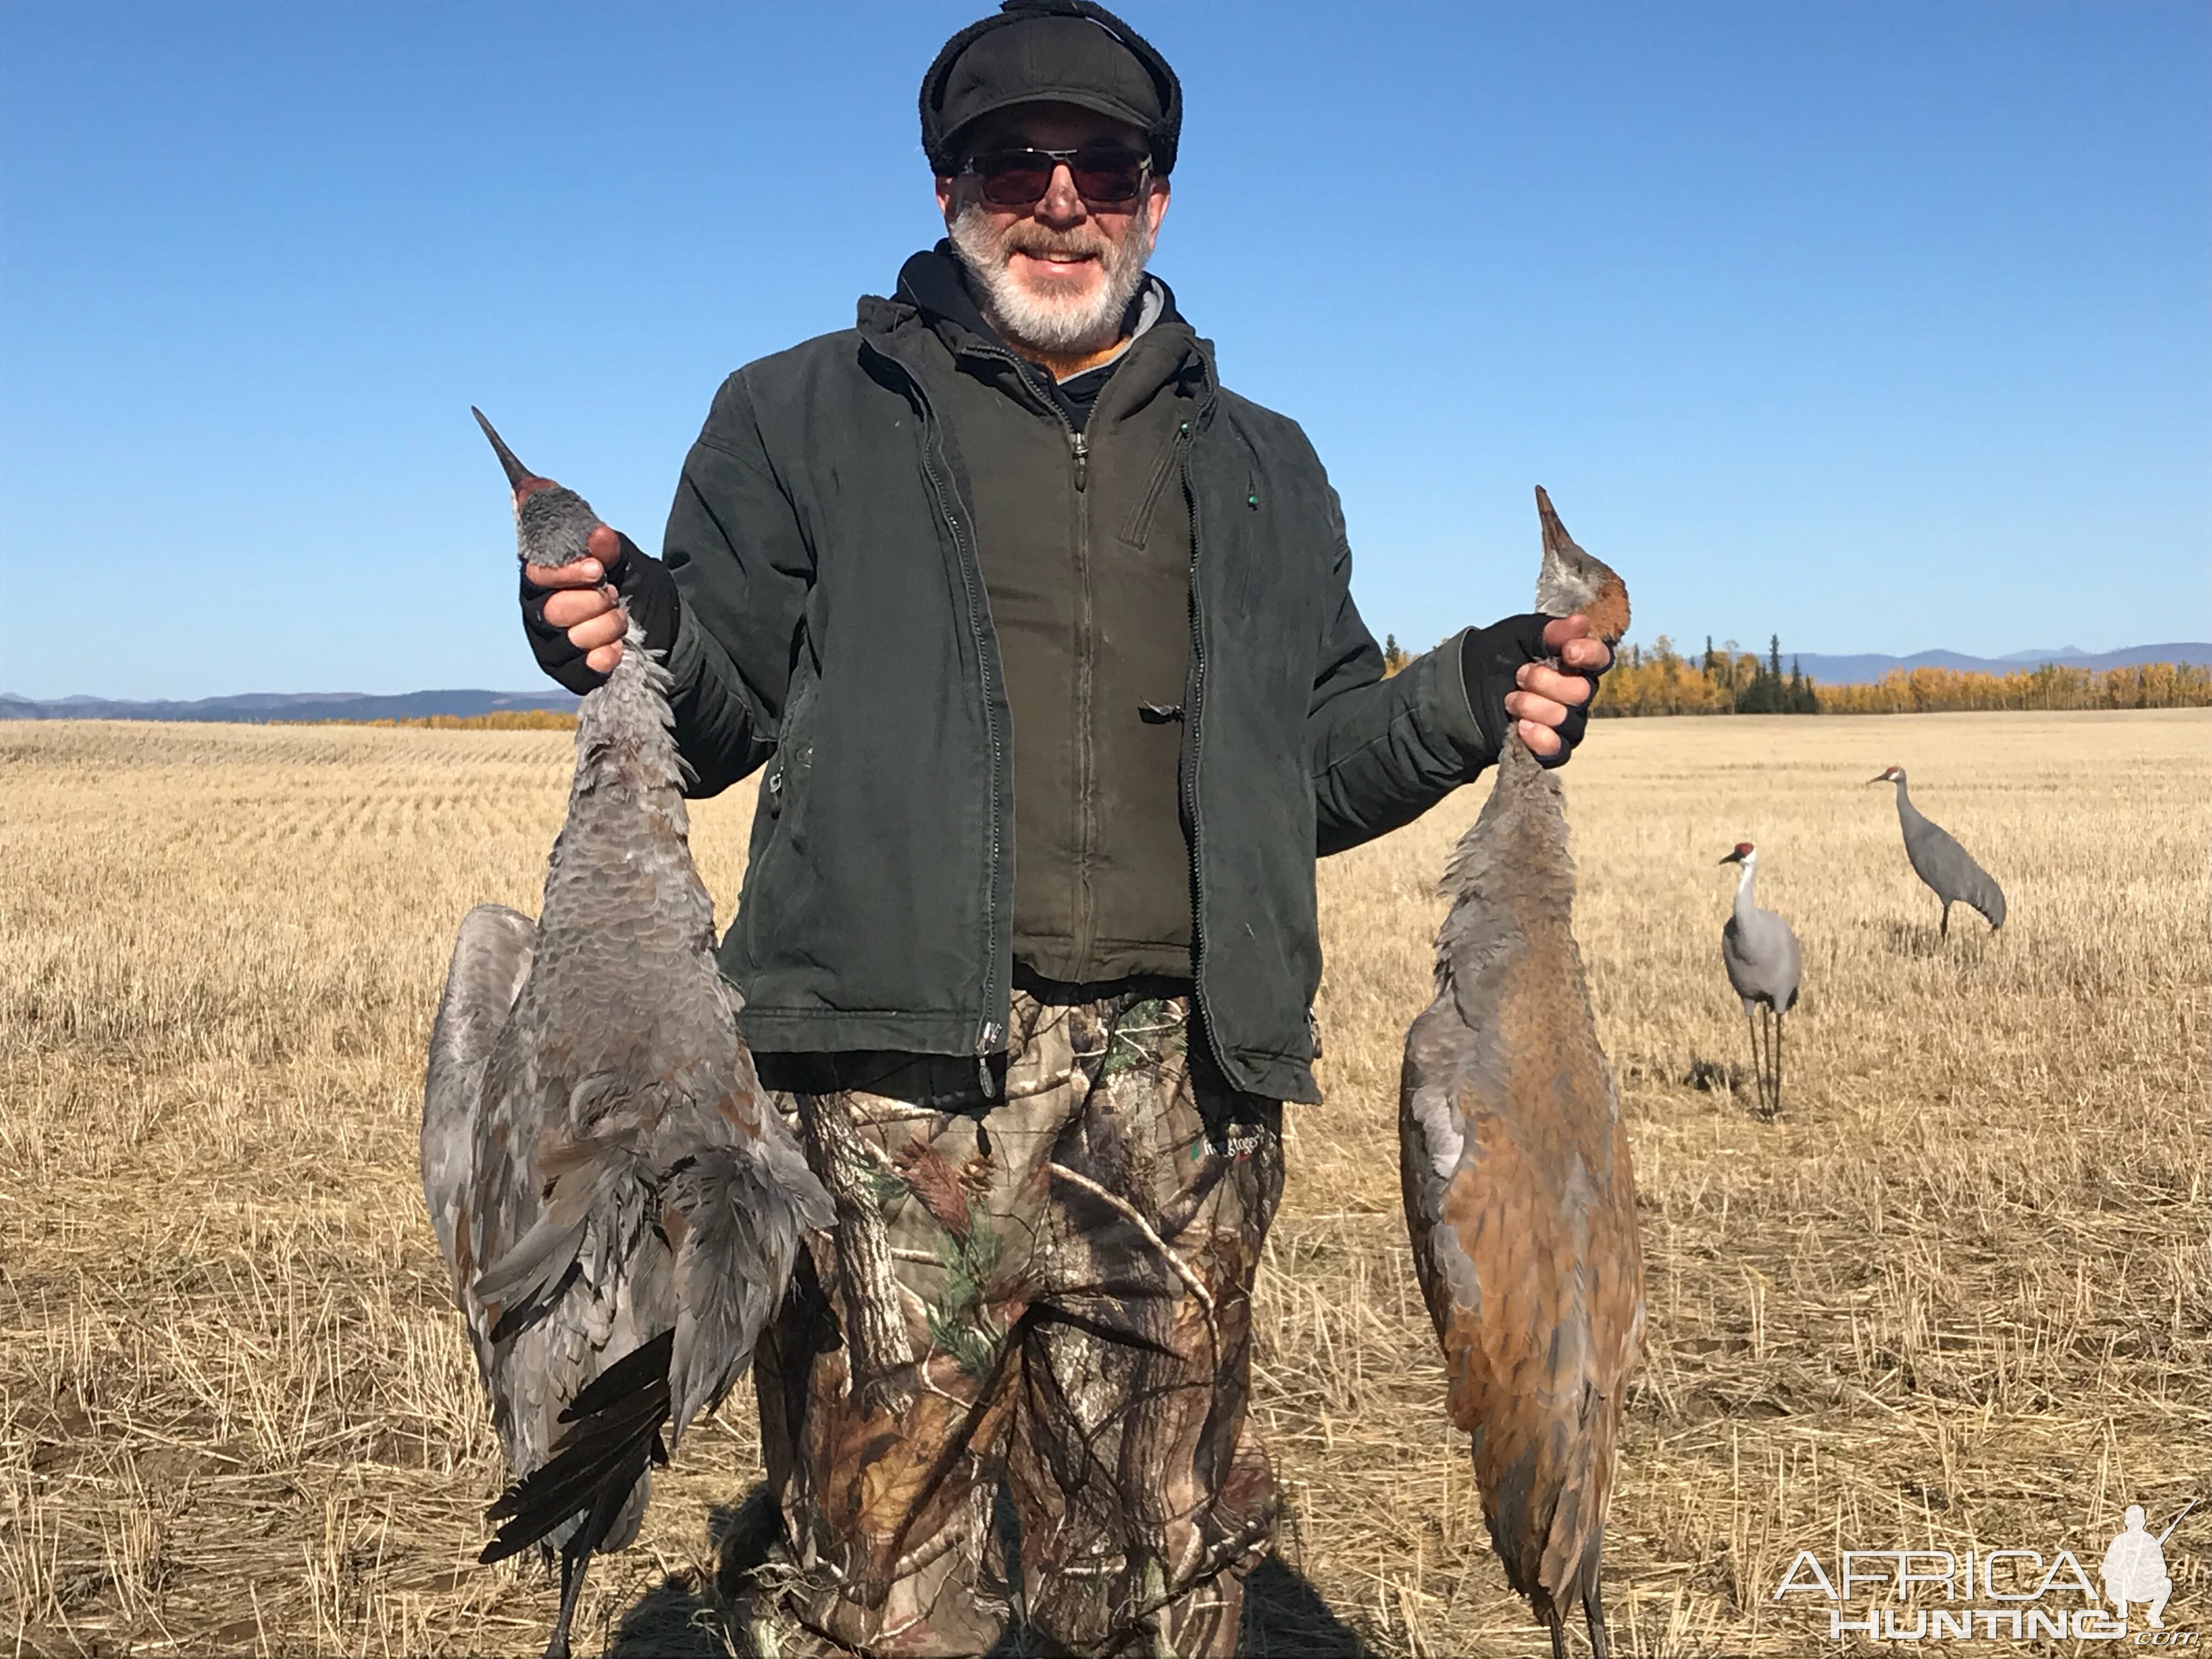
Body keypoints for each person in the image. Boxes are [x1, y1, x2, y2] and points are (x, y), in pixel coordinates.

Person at [516, 3, 1611, 1651]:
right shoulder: (797, 415)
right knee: (872, 1589)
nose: (1057, 197)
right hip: (889, 1110)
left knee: (1167, 1576)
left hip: (1181, 1108)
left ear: (1157, 198)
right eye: (1010, 160)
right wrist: (632, 620)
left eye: (1102, 163)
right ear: (949, 186)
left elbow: (1306, 768)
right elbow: (720, 706)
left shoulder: (1263, 466)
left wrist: (1476, 689)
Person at [2103, 1505, 2174, 1629]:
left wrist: (2143, 1569)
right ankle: (2125, 1607)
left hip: (2134, 1590)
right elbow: (2106, 1569)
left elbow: (2161, 1570)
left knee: (2166, 1583)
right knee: (2166, 1583)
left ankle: (2149, 1614)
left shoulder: (2146, 1542)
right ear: (2143, 1522)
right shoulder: (2123, 1541)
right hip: (2129, 1590)